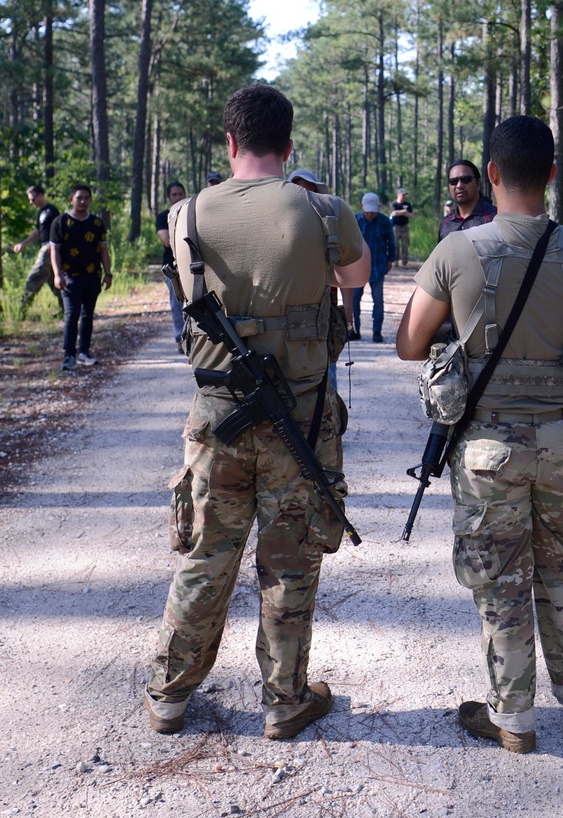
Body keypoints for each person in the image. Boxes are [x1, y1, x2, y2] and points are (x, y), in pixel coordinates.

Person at [396, 115, 563, 754]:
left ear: (493, 175)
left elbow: (408, 344)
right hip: (561, 441)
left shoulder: (457, 251)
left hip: (486, 448)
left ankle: (515, 719)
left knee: (501, 578)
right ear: (552, 174)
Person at [146, 85, 370, 739]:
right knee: (290, 561)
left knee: (206, 557)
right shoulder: (324, 211)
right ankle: (284, 699)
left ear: (230, 143)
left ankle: (169, 693)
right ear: (290, 144)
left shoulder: (187, 216)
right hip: (299, 415)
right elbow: (354, 281)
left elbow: (189, 288)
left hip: (216, 413)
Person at [287, 168, 356, 391]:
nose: (303, 195)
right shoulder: (280, 227)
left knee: (328, 371)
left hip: (324, 314)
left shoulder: (330, 228)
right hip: (288, 316)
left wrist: (348, 311)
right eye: (298, 190)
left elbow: (346, 271)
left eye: (308, 190)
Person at [49, 184, 112, 372]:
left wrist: (108, 273)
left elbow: (103, 250)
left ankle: (84, 351)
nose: (83, 201)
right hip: (69, 278)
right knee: (71, 315)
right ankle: (69, 355)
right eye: (79, 198)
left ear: (91, 200)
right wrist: (57, 274)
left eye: (86, 198)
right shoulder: (60, 223)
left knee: (88, 315)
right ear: (71, 200)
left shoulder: (97, 223)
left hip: (92, 276)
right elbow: (55, 251)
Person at [353, 192, 395, 343]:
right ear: (362, 207)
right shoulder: (355, 220)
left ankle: (377, 331)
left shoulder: (384, 222)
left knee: (378, 300)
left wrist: (390, 259)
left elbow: (391, 241)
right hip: (357, 266)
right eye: (367, 210)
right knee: (354, 299)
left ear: (378, 208)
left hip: (378, 265)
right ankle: (355, 330)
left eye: (373, 210)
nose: (370, 213)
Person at [13, 185, 61, 315]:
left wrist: (55, 248)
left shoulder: (52, 211)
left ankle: (21, 310)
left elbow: (60, 230)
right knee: (53, 281)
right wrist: (23, 244)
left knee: (34, 277)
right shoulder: (40, 213)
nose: (31, 202)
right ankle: (68, 309)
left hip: (50, 248)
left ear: (40, 196)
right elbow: (38, 232)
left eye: (32, 199)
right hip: (44, 247)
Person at [156, 181, 188, 347]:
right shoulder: (162, 217)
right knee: (176, 303)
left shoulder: (191, 213)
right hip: (171, 267)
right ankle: (179, 337)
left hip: (191, 265)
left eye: (180, 194)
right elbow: (167, 240)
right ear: (169, 197)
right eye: (174, 194)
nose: (177, 197)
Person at [438, 159, 498, 242]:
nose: (459, 185)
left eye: (466, 179)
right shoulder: (446, 223)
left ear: (478, 183)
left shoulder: (494, 218)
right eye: (453, 181)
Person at [391, 187, 413, 266]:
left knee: (405, 244)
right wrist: (404, 212)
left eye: (405, 195)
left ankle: (404, 262)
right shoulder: (394, 204)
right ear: (398, 195)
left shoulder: (407, 204)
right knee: (396, 244)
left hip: (405, 226)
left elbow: (410, 214)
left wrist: (401, 213)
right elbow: (394, 213)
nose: (404, 196)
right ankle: (395, 261)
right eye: (402, 195)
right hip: (396, 226)